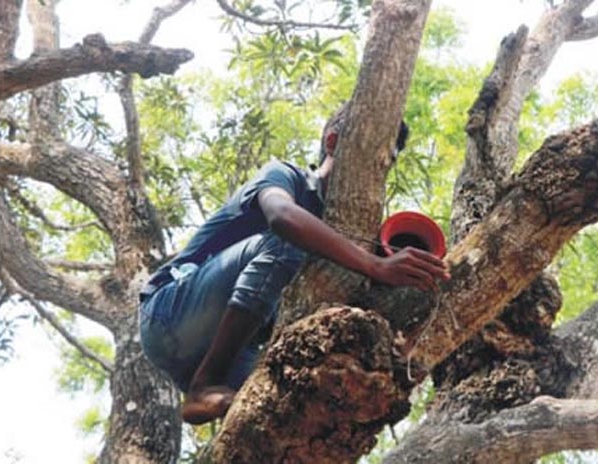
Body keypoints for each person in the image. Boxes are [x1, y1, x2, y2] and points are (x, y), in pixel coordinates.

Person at [138, 104, 451, 425]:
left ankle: (209, 391)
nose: (379, 169)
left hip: (226, 350)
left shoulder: (348, 237)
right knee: (287, 240)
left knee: (282, 412)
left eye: (387, 163)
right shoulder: (286, 176)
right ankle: (203, 387)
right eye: (373, 154)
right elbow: (282, 218)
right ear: (332, 143)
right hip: (171, 314)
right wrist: (374, 265)